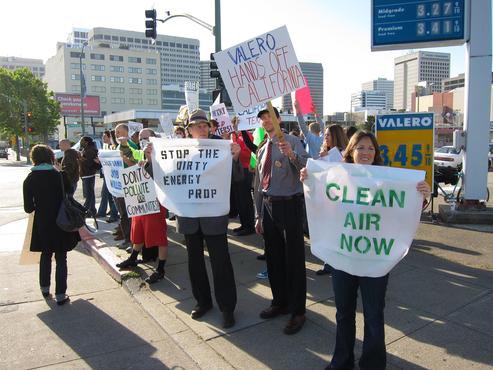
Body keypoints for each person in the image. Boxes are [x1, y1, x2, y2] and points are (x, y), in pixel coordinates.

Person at [300, 131, 431, 370]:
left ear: (376, 153)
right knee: (343, 313)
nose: (366, 152)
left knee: (373, 315)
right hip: (343, 258)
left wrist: (422, 195)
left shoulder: (387, 179)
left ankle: (372, 364)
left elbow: (400, 210)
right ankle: (342, 362)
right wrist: (310, 181)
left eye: (371, 148)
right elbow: (323, 204)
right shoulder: (338, 178)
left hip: (374, 260)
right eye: (361, 147)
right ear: (351, 151)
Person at [144, 109, 241, 328]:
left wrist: (235, 159)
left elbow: (236, 179)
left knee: (221, 263)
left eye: (205, 125)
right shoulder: (180, 151)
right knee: (195, 263)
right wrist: (151, 160)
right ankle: (202, 302)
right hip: (189, 217)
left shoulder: (221, 149)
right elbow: (164, 177)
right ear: (188, 131)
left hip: (214, 217)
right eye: (197, 126)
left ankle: (227, 308)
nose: (203, 128)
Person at [253, 106, 309, 335]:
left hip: (289, 204)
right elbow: (257, 183)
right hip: (268, 205)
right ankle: (280, 301)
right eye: (263, 118)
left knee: (293, 260)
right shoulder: (262, 148)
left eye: (269, 116)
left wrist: (292, 156)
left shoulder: (293, 141)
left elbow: (307, 169)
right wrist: (258, 214)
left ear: (278, 119)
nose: (266, 121)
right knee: (273, 257)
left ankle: (298, 311)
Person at [23, 145, 81, 305]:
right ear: (51, 157)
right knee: (61, 256)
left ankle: (44, 289)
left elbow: (28, 208)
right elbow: (69, 192)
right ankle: (61, 294)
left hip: (42, 222)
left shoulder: (29, 179)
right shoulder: (60, 175)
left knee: (46, 254)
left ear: (34, 158)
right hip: (62, 220)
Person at [116, 129, 169, 284]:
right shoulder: (142, 153)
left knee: (159, 236)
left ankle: (160, 269)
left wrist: (148, 160)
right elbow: (134, 163)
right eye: (141, 138)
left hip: (156, 203)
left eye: (147, 137)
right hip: (141, 201)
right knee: (138, 231)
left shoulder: (162, 156)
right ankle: (133, 258)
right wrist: (130, 156)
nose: (144, 140)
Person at [316, 124, 349, 276]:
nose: (325, 138)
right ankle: (328, 263)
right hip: (327, 200)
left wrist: (326, 159)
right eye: (325, 135)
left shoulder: (343, 154)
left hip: (340, 201)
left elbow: (341, 174)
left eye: (328, 135)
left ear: (335, 136)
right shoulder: (326, 152)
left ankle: (336, 264)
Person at [113, 123, 138, 249]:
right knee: (123, 214)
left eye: (119, 132)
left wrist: (124, 159)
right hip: (119, 185)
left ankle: (131, 240)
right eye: (116, 132)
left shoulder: (130, 145)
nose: (116, 134)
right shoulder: (118, 146)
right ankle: (128, 239)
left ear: (126, 133)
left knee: (128, 215)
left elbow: (134, 164)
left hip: (128, 184)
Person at [230, 123, 255, 236]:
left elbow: (249, 151)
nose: (234, 127)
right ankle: (244, 224)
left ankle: (249, 226)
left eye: (236, 125)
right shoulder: (234, 136)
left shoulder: (246, 135)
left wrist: (237, 152)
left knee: (245, 199)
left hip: (245, 169)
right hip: (236, 168)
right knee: (239, 199)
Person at [96, 131, 119, 223]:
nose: (103, 139)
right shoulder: (107, 147)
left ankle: (114, 214)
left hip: (114, 176)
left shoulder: (116, 148)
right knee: (108, 194)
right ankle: (112, 212)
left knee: (112, 195)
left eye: (105, 137)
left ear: (111, 138)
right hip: (107, 174)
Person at [79, 136, 100, 216]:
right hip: (86, 174)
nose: (80, 142)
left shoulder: (90, 150)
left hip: (88, 174)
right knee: (90, 193)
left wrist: (80, 157)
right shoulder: (87, 149)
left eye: (82, 141)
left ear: (86, 142)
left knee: (88, 194)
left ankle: (87, 210)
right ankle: (92, 211)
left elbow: (89, 163)